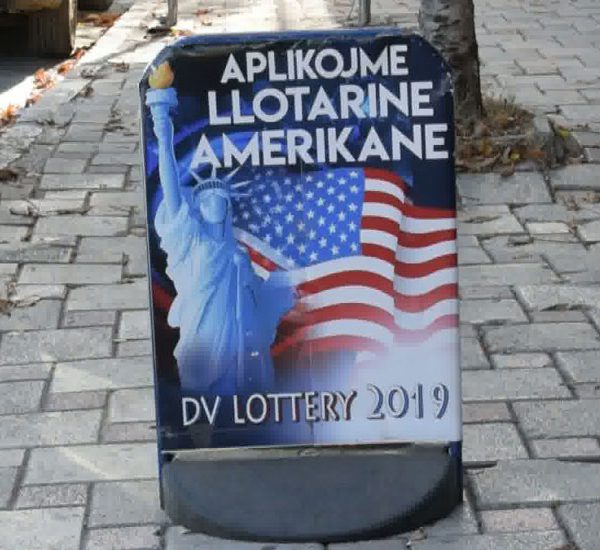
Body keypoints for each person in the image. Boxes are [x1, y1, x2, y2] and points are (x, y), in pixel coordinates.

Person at [147, 87, 295, 395]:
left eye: (219, 196)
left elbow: (257, 303)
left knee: (239, 395)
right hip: (203, 333)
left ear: (227, 206)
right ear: (198, 207)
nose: (213, 201)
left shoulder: (238, 253)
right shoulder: (190, 241)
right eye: (206, 197)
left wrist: (271, 288)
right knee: (205, 397)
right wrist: (163, 130)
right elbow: (171, 188)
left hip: (240, 342)